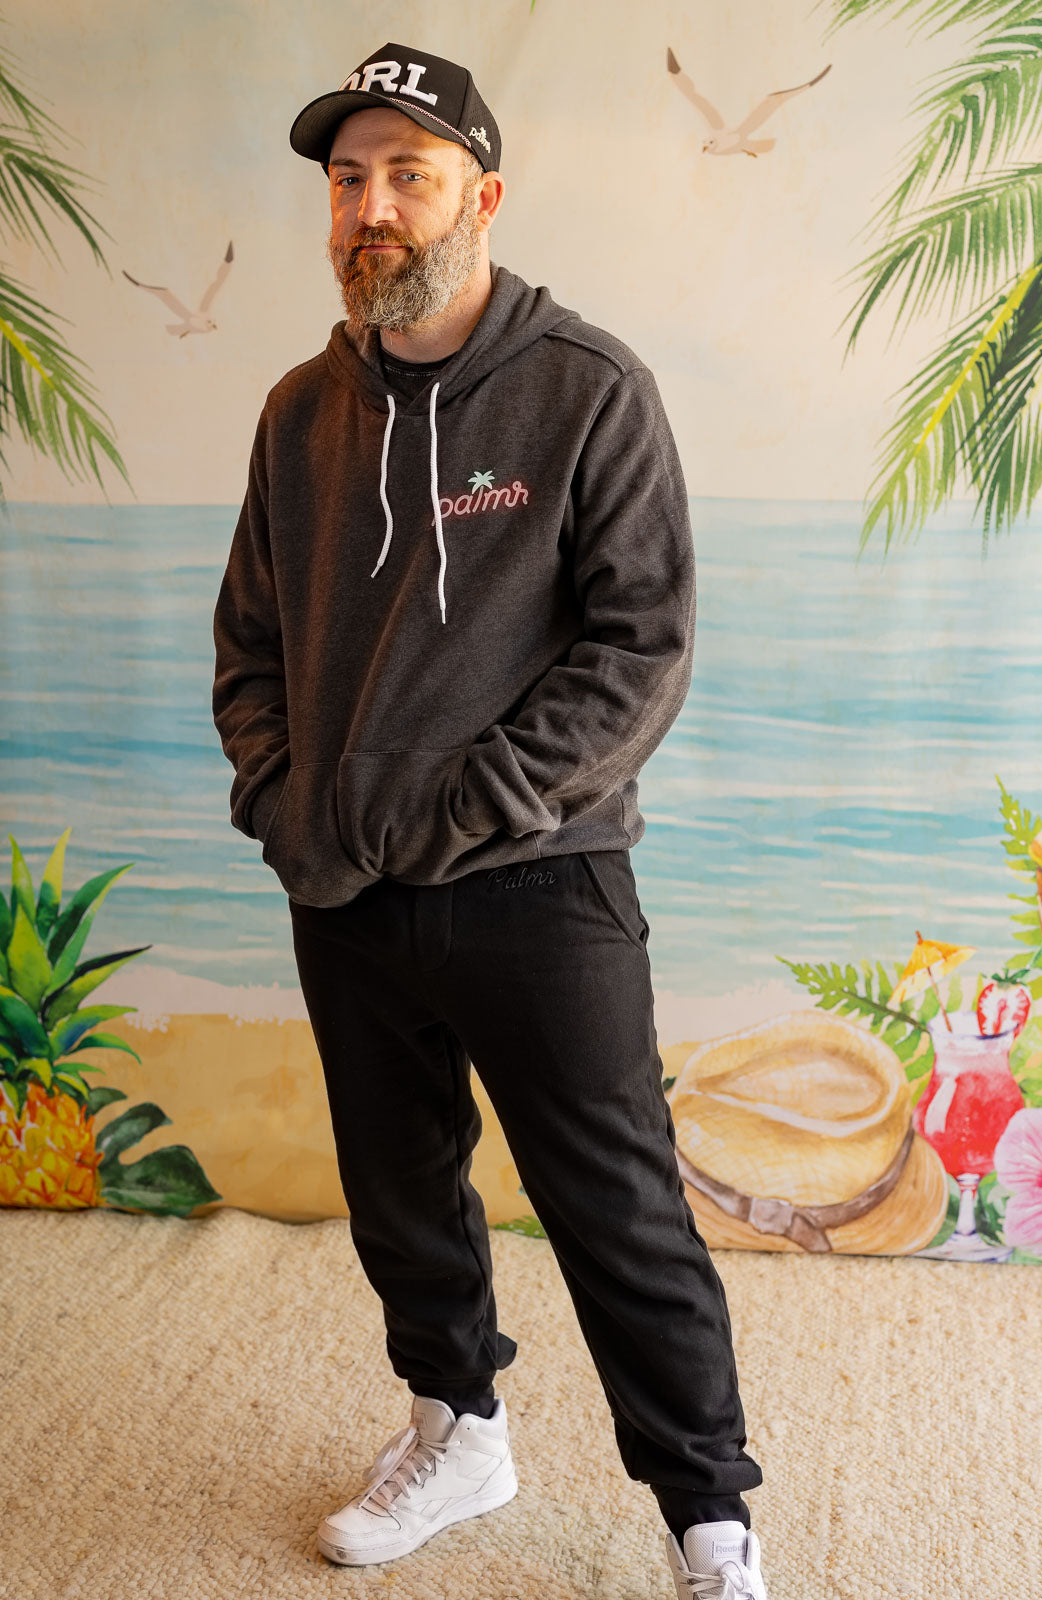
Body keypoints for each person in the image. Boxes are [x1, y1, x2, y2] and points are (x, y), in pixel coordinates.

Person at [212, 41, 768, 1600]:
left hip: (542, 878)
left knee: (618, 1207)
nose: (369, 208)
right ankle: (460, 1426)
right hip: (345, 884)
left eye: (407, 174)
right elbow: (249, 642)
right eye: (346, 179)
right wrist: (286, 801)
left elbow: (640, 645)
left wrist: (482, 803)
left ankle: (709, 1512)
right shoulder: (297, 414)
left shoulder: (587, 389)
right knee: (403, 1189)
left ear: (484, 195)